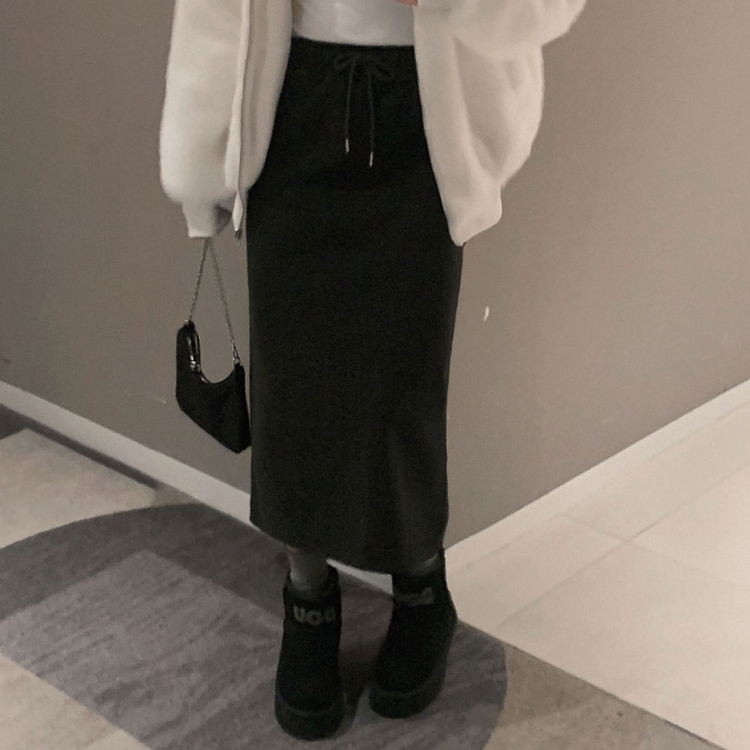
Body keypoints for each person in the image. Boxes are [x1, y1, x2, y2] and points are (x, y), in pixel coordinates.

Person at [159, 0, 587, 741]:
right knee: (293, 392)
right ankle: (308, 603)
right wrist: (201, 163)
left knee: (403, 387)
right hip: (291, 106)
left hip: (427, 115)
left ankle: (421, 590)